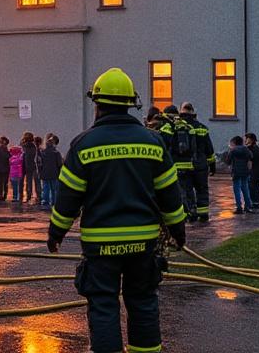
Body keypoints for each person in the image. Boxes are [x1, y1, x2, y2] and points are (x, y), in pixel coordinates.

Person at [48, 68, 186, 353]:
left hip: (101, 244)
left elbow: (67, 198)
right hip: (144, 242)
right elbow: (170, 194)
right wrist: (178, 231)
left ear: (97, 105)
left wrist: (56, 233)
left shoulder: (83, 144)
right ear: (130, 103)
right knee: (143, 301)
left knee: (103, 304)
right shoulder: (152, 141)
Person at [172, 103, 216, 223]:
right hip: (201, 165)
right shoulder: (202, 128)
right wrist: (212, 165)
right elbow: (209, 149)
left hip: (184, 165)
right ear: (193, 113)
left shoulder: (177, 127)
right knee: (202, 189)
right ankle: (204, 214)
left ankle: (192, 212)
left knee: (187, 189)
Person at [224, 136, 254, 214]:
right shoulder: (246, 149)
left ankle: (239, 207)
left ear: (234, 142)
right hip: (245, 172)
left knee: (237, 190)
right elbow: (251, 157)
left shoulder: (233, 150)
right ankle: (247, 206)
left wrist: (230, 150)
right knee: (245, 189)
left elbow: (227, 161)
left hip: (236, 172)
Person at [39, 135, 62, 209]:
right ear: (54, 144)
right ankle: (54, 203)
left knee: (45, 188)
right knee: (54, 189)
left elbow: (40, 163)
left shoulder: (43, 152)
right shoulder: (56, 153)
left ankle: (45, 202)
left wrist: (40, 172)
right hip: (54, 173)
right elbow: (59, 164)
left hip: (44, 173)